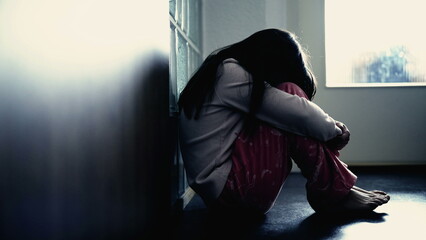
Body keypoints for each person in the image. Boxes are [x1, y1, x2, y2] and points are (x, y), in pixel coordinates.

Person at [178, 28, 390, 215]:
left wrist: (328, 128)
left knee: (291, 107)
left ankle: (337, 188)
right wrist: (335, 131)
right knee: (291, 93)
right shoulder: (229, 72)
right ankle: (335, 192)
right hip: (233, 192)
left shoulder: (222, 70)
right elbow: (300, 113)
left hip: (229, 193)